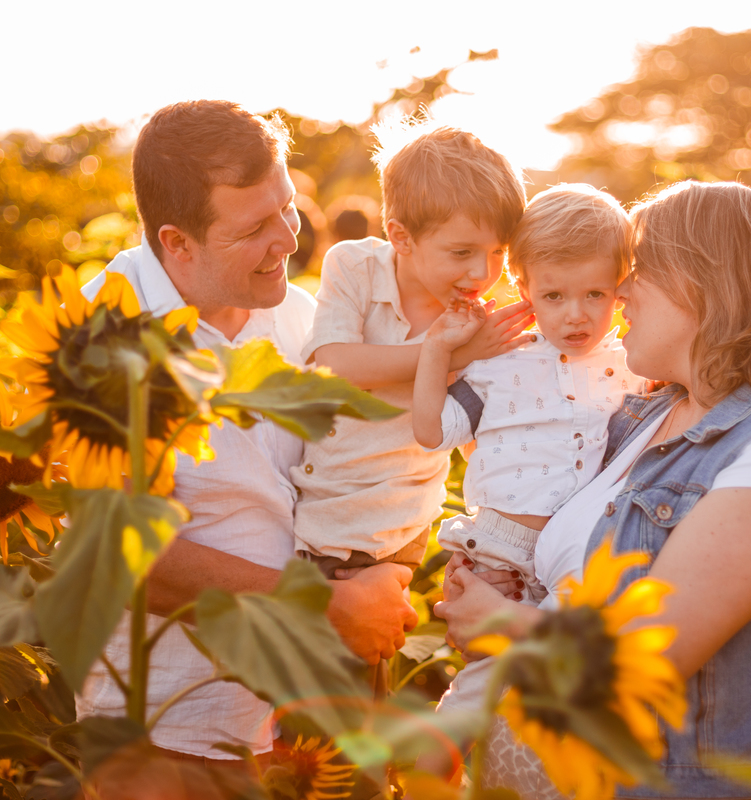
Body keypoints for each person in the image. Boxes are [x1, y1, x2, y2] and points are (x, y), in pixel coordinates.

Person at [435, 180, 751, 799]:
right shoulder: (644, 416)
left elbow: (646, 657)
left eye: (643, 268)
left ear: (705, 286)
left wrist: (503, 621)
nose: (622, 289)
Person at [75, 100, 418, 768]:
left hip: (296, 716)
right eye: (258, 226)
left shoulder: (297, 314)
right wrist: (325, 606)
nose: (291, 238)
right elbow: (125, 560)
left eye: (288, 206)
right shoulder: (99, 338)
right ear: (177, 242)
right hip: (167, 727)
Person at [412, 185, 638, 721]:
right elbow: (432, 430)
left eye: (596, 295)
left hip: (585, 553)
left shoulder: (633, 366)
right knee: (483, 685)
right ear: (524, 287)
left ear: (621, 288)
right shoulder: (499, 363)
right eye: (554, 296)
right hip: (505, 548)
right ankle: (432, 767)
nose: (575, 316)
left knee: (564, 693)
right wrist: (437, 350)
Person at [288, 123, 533, 578]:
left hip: (395, 527)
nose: (482, 271)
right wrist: (449, 355)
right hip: (314, 509)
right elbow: (334, 365)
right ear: (401, 237)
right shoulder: (355, 265)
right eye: (461, 252)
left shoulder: (479, 323)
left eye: (498, 252)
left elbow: (479, 437)